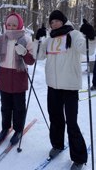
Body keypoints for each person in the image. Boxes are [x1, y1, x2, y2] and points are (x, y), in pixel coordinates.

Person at [33, 10, 96, 170]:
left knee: (72, 122)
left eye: (56, 21)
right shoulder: (50, 39)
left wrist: (91, 37)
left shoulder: (74, 35)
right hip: (52, 86)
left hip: (69, 86)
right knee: (55, 118)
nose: (54, 24)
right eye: (51, 22)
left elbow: (87, 50)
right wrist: (37, 39)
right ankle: (57, 145)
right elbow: (38, 56)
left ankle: (79, 157)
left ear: (63, 21)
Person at [0, 12, 35, 145]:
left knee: (19, 107)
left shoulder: (26, 39)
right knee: (5, 106)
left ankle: (18, 129)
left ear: (19, 25)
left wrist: (24, 53)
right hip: (4, 77)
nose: (11, 27)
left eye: (14, 25)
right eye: (9, 24)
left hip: (19, 76)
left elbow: (31, 60)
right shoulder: (2, 38)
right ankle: (5, 128)